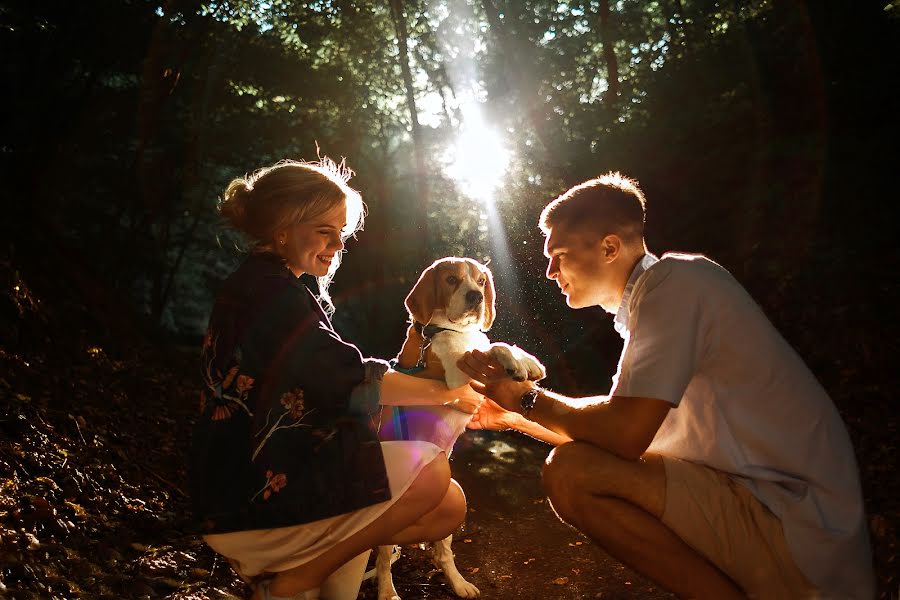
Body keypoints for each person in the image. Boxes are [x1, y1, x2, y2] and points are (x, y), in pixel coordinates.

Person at [458, 172, 874, 599]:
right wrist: (513, 415)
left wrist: (527, 398)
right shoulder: (658, 303)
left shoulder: (675, 283)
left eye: (559, 254)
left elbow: (623, 435)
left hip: (798, 530)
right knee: (579, 462)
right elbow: (612, 430)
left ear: (609, 247)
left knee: (572, 473)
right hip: (775, 515)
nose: (549, 271)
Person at [190, 158, 483, 600]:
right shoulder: (269, 293)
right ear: (283, 228)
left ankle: (304, 578)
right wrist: (450, 393)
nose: (337, 244)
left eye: (341, 233)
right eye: (325, 230)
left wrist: (442, 397)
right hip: (254, 491)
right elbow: (349, 376)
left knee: (448, 504)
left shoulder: (274, 286)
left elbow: (329, 377)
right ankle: (299, 575)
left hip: (274, 473)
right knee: (430, 472)